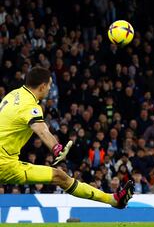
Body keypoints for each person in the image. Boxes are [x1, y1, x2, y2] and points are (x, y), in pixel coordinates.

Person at [0, 67, 134, 208]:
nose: (49, 89)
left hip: (7, 160)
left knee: (60, 176)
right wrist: (56, 147)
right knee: (60, 177)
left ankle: (113, 199)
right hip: (5, 164)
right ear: (42, 86)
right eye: (50, 85)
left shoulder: (14, 94)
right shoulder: (29, 105)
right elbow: (41, 129)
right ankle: (113, 200)